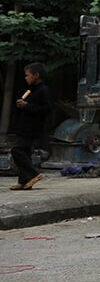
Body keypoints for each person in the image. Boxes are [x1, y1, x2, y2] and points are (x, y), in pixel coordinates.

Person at [9, 62, 52, 190]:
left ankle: (34, 174)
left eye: (28, 75)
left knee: (16, 150)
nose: (25, 78)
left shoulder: (43, 90)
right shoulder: (32, 90)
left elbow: (46, 110)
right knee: (26, 152)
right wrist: (22, 105)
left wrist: (27, 106)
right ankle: (24, 181)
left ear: (36, 75)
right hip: (25, 126)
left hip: (32, 127)